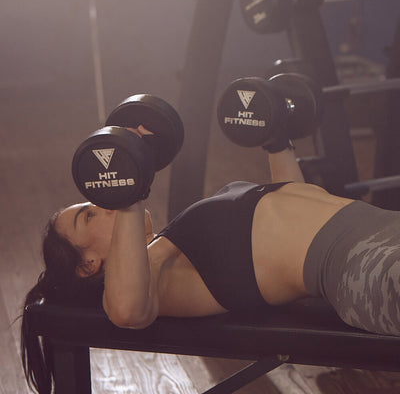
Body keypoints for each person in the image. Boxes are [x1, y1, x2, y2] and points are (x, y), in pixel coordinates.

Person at [21, 131, 400, 394]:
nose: (104, 203)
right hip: (362, 265)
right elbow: (126, 310)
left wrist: (276, 140)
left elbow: (296, 205)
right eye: (90, 214)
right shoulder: (153, 275)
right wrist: (128, 196)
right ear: (88, 265)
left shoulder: (167, 246)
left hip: (383, 226)